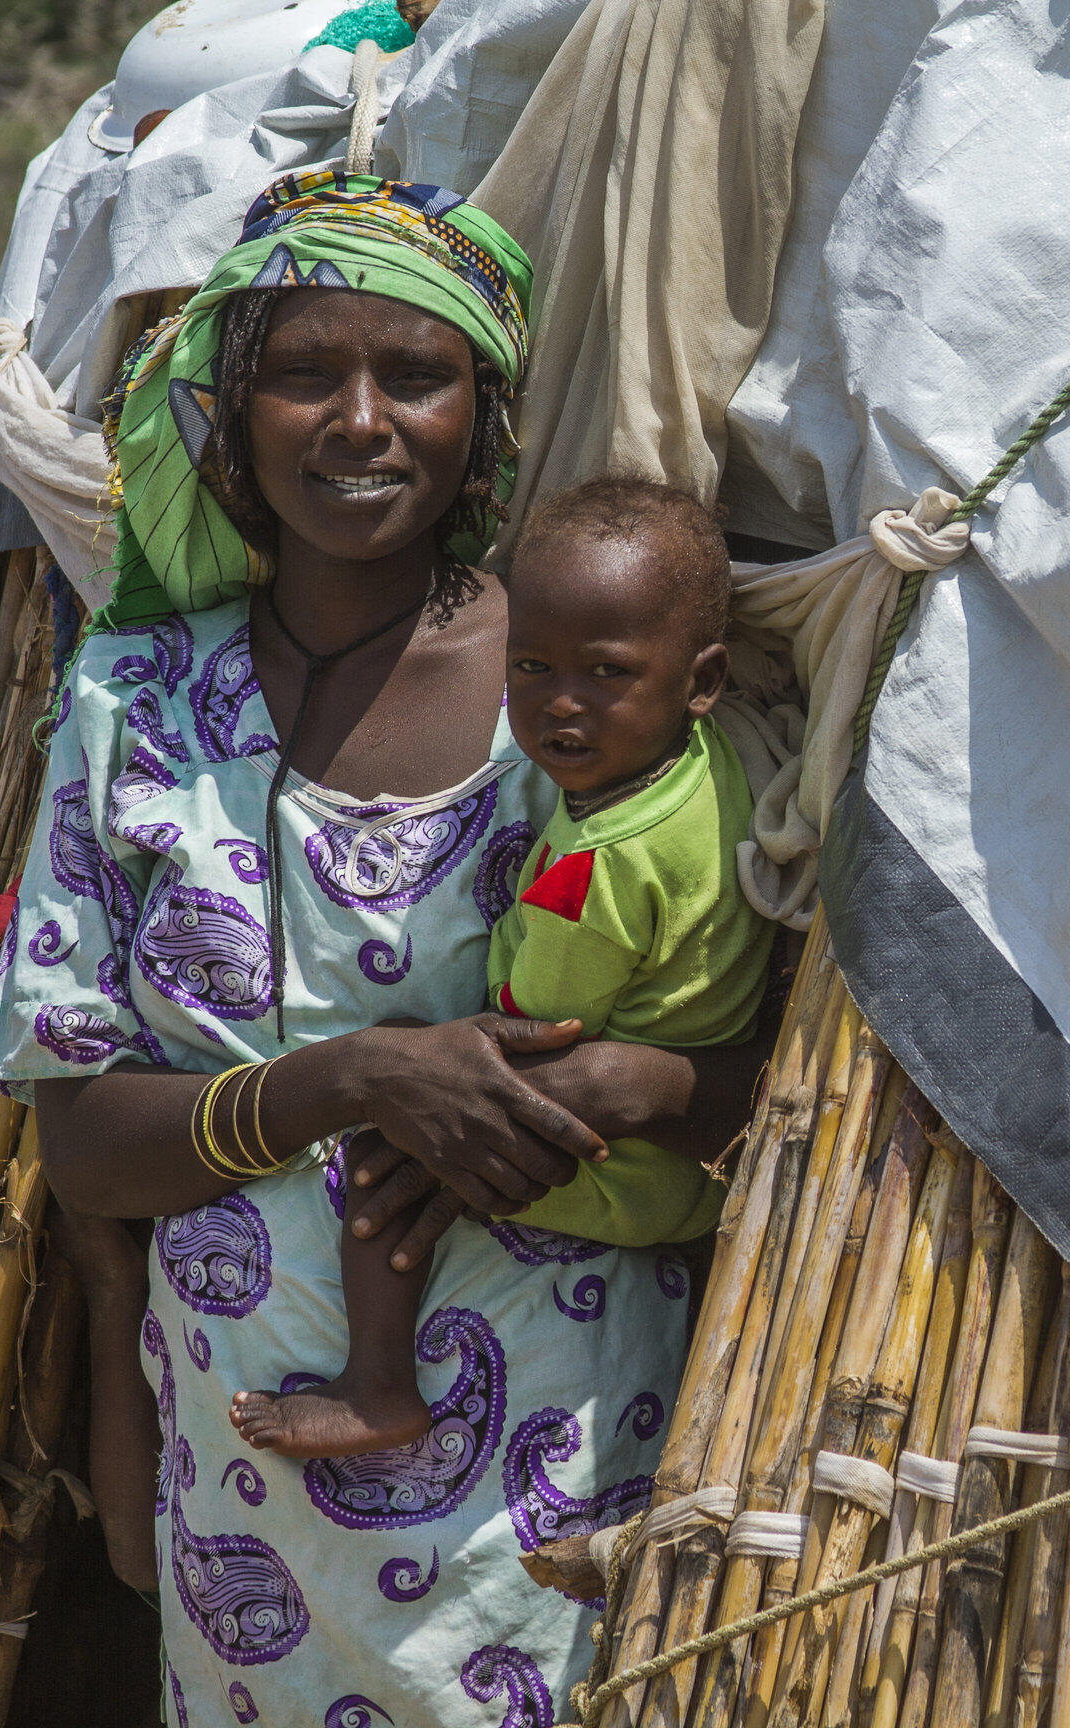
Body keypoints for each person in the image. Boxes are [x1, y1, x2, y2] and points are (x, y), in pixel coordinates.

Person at [0, 170, 767, 1722]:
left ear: (487, 412)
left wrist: (632, 1082)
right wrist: (358, 1078)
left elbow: (749, 1077)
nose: (361, 420)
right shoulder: (136, 701)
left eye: (419, 374)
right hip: (242, 1464)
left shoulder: (584, 701)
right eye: (306, 374)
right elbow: (85, 1146)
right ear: (232, 407)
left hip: (558, 1466)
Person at [229, 476, 772, 1459]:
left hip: (624, 1172)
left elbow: (534, 1030)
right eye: (532, 665)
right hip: (693, 1156)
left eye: (606, 674)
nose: (562, 704)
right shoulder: (706, 764)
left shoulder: (588, 871)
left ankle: (378, 1384)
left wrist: (428, 1068)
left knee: (387, 1112)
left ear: (701, 679)